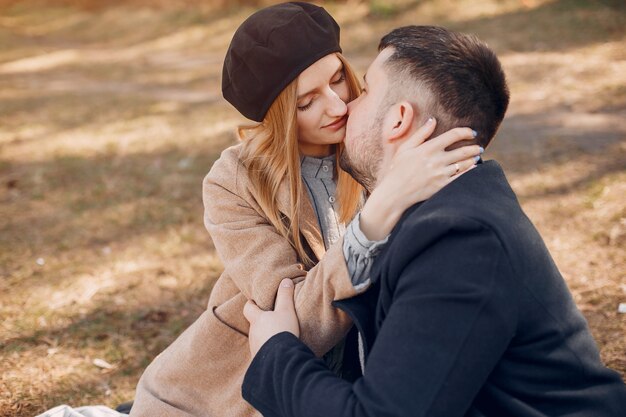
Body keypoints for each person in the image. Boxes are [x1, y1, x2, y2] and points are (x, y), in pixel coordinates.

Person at [241, 25, 626, 417]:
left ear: (399, 119)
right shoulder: (448, 209)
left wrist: (276, 350)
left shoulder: (462, 241)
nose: (346, 106)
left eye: (366, 90)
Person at [127, 4, 480, 417]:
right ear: (278, 117)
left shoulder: (377, 144)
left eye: (337, 80)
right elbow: (292, 323)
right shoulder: (233, 182)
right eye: (306, 102)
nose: (337, 107)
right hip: (220, 399)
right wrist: (374, 219)